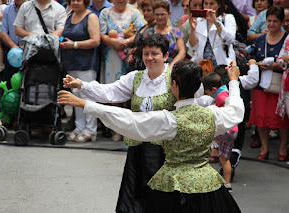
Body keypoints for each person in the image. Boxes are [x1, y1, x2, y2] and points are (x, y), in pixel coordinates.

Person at [57, 60, 243, 213]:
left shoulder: (169, 120)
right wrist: (233, 81)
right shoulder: (212, 114)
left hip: (173, 186)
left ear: (174, 85)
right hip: (206, 184)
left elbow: (129, 120)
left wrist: (85, 104)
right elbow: (236, 110)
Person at [62, 34, 177, 213]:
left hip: (166, 148)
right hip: (139, 144)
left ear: (165, 55)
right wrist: (81, 85)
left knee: (162, 196)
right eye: (146, 53)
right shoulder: (136, 77)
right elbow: (109, 91)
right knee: (136, 194)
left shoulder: (174, 78)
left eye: (154, 53)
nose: (149, 58)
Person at [248, 6, 289, 161]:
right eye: (269, 21)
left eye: (275, 21)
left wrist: (275, 65)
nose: (271, 24)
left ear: (282, 22)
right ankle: (264, 148)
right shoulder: (260, 39)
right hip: (261, 83)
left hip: (280, 84)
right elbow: (251, 56)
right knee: (261, 117)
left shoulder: (287, 39)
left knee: (282, 118)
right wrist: (256, 63)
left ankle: (283, 147)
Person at [99, 0, 143, 141]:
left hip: (130, 54)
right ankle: (116, 128)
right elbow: (101, 34)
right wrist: (114, 42)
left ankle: (128, 128)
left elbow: (142, 32)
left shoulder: (135, 13)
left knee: (130, 90)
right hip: (111, 55)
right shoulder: (105, 12)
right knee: (115, 89)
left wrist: (126, 42)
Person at [60, 0, 100, 142]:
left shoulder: (91, 16)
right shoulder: (69, 15)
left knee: (88, 97)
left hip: (86, 65)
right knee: (76, 99)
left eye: (79, 0)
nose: (75, 2)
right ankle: (79, 127)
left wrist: (74, 45)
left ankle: (91, 130)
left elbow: (96, 41)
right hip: (71, 64)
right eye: (73, 0)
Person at [203, 71, 238, 193]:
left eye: (207, 92)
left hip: (225, 130)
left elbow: (224, 100)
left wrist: (220, 107)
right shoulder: (227, 91)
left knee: (204, 133)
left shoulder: (221, 96)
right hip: (233, 130)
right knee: (224, 158)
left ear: (213, 89)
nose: (208, 95)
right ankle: (227, 184)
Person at [187, 0, 236, 66]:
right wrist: (193, 30)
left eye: (211, 4)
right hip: (202, 65)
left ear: (218, 5)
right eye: (206, 4)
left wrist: (215, 22)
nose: (208, 7)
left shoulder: (228, 18)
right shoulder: (198, 20)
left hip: (223, 65)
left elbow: (229, 40)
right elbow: (193, 47)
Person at [143, 1, 186, 67]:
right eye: (157, 14)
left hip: (173, 66)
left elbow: (182, 52)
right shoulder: (148, 33)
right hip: (153, 66)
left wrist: (171, 66)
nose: (160, 17)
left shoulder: (176, 32)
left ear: (169, 14)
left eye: (162, 14)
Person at [0, 0, 25, 89]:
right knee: (11, 85)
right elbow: (3, 32)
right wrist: (13, 47)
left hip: (28, 51)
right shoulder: (7, 10)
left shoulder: (32, 8)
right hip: (12, 53)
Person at [127, 0, 156, 71]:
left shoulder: (155, 28)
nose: (146, 13)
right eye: (144, 10)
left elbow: (149, 46)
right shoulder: (143, 27)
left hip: (146, 65)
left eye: (149, 10)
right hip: (135, 64)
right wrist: (131, 54)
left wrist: (133, 51)